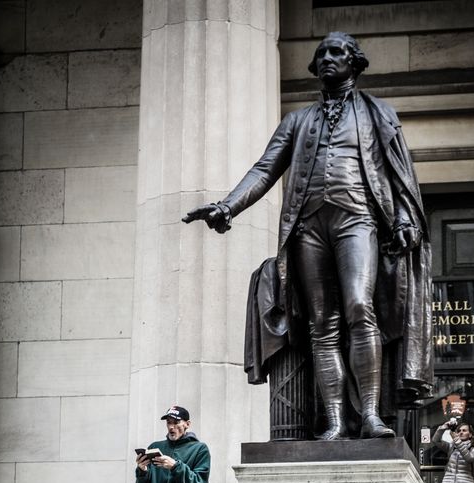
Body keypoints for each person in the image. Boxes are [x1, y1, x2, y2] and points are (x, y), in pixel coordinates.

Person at [183, 32, 432, 441]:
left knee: (358, 305)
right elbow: (264, 170)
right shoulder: (297, 121)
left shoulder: (379, 114)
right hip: (308, 227)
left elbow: (400, 175)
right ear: (315, 67)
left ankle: (370, 414)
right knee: (323, 323)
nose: (328, 58)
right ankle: (334, 420)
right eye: (322, 54)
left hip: (358, 220)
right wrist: (228, 206)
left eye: (337, 52)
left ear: (355, 62)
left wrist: (404, 218)